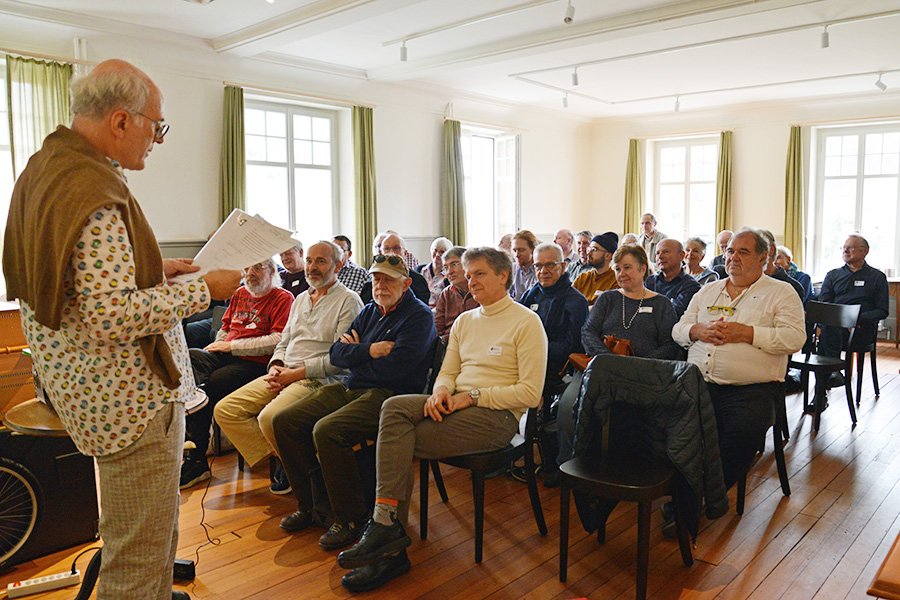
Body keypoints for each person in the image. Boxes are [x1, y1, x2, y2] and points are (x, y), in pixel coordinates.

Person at [2, 59, 241, 600]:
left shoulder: (48, 168)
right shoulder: (94, 188)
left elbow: (72, 276)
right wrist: (208, 289)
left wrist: (152, 270)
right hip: (128, 400)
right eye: (156, 126)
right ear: (120, 120)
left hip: (82, 388)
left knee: (133, 531)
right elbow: (109, 315)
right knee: (138, 550)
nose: (156, 140)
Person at [335, 248, 547, 592]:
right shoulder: (466, 321)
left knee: (395, 444)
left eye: (479, 273)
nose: (469, 279)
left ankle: (386, 539)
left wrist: (472, 396)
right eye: (468, 273)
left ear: (503, 276)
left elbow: (529, 392)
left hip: (495, 417)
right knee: (394, 408)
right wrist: (440, 392)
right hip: (456, 405)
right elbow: (448, 372)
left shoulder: (526, 322)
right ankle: (387, 530)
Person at [272, 254, 435, 551]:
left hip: (391, 396)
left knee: (327, 430)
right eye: (376, 278)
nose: (380, 285)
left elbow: (396, 369)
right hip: (354, 386)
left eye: (388, 279)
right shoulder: (371, 311)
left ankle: (350, 518)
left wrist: (357, 353)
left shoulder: (419, 316)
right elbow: (336, 354)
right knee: (284, 421)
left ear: (406, 283)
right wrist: (370, 351)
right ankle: (313, 506)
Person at [212, 242, 363, 494]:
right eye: (311, 261)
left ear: (338, 265)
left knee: (269, 418)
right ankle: (293, 461)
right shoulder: (301, 299)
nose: (312, 267)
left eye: (321, 261)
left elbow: (341, 359)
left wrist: (295, 373)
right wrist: (276, 365)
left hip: (317, 378)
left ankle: (299, 470)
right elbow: (284, 340)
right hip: (284, 372)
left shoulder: (349, 301)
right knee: (226, 410)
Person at [672, 229, 805, 488]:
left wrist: (748, 334)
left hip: (751, 390)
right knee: (669, 428)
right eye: (730, 251)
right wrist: (697, 330)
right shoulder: (707, 291)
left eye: (743, 252)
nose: (733, 257)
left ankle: (700, 495)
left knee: (739, 435)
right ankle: (691, 492)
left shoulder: (781, 292)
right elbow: (678, 329)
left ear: (763, 257)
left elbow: (795, 338)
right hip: (698, 384)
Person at [180, 258, 293, 489]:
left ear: (272, 271)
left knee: (212, 384)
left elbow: (276, 340)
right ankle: (188, 442)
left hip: (256, 363)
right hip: (225, 354)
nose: (250, 272)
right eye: (248, 267)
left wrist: (231, 347)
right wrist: (219, 344)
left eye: (258, 267)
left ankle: (197, 459)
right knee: (189, 358)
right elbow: (225, 327)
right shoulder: (241, 293)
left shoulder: (283, 298)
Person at [818, 234, 889, 386]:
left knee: (826, 339)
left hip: (861, 328)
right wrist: (843, 320)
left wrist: (856, 319)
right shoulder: (833, 275)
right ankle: (824, 388)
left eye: (850, 248)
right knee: (826, 330)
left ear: (864, 251)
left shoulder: (877, 277)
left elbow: (882, 310)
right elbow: (824, 304)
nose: (845, 251)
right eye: (843, 248)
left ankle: (831, 375)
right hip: (836, 328)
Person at [520, 242, 589, 385]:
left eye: (550, 265)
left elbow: (573, 345)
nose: (543, 271)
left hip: (557, 366)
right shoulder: (530, 295)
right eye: (538, 266)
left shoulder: (576, 301)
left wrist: (533, 350)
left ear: (563, 267)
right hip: (525, 360)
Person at [359, 233, 429, 304]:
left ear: (405, 253)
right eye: (386, 249)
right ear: (381, 253)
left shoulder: (418, 281)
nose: (391, 252)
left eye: (396, 248)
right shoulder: (370, 283)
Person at [646, 238, 701, 319]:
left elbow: (673, 314)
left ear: (681, 255)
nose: (660, 257)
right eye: (657, 253)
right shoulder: (650, 281)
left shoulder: (691, 286)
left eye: (666, 252)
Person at [433, 246, 478, 340]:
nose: (449, 272)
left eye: (454, 264)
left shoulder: (481, 290)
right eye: (446, 267)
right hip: (449, 344)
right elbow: (437, 329)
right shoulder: (446, 294)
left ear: (468, 264)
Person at [572, 232, 619, 304]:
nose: (589, 253)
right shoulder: (582, 278)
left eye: (594, 250)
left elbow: (607, 310)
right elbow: (568, 302)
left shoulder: (616, 280)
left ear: (608, 256)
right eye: (589, 249)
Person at [416, 236, 452, 306]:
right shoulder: (420, 270)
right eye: (435, 250)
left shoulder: (449, 275)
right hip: (419, 309)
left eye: (442, 252)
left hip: (439, 311)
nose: (437, 254)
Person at [509, 229, 539, 300]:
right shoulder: (512, 269)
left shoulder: (541, 270)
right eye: (514, 250)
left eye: (521, 250)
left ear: (533, 249)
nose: (516, 254)